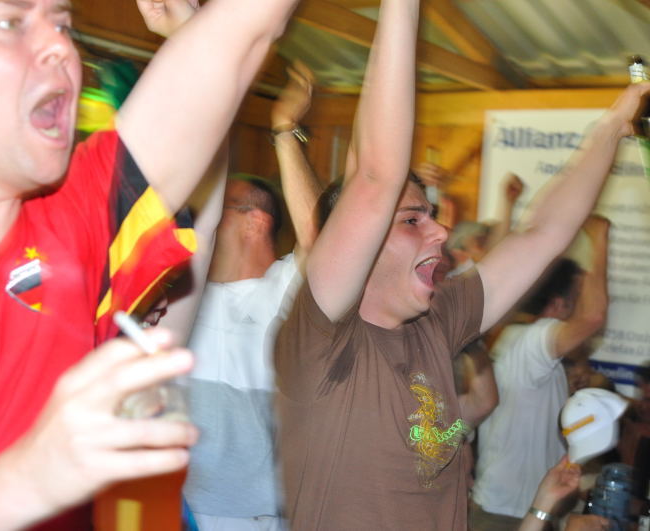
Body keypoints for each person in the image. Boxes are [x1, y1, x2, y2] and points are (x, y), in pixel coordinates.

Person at [0, 0, 301, 528]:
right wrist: (28, 478)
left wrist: (190, 29)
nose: (61, 47)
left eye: (62, 24)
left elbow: (247, 28)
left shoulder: (78, 226)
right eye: (10, 23)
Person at [273, 0, 650, 527]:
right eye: (412, 221)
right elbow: (377, 175)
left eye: (432, 215)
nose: (441, 230)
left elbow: (544, 232)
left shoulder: (437, 320)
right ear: (360, 241)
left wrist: (615, 121)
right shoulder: (324, 338)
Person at [184, 62, 322, 530]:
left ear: (253, 221)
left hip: (258, 516)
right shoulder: (179, 296)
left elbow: (320, 239)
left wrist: (285, 131)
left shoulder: (282, 290)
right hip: (175, 509)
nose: (199, 219)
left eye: (216, 210)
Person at [472, 216, 611, 530]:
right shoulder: (532, 340)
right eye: (578, 300)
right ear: (559, 305)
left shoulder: (521, 342)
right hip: (506, 517)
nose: (581, 309)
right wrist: (599, 237)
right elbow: (593, 317)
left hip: (519, 510)